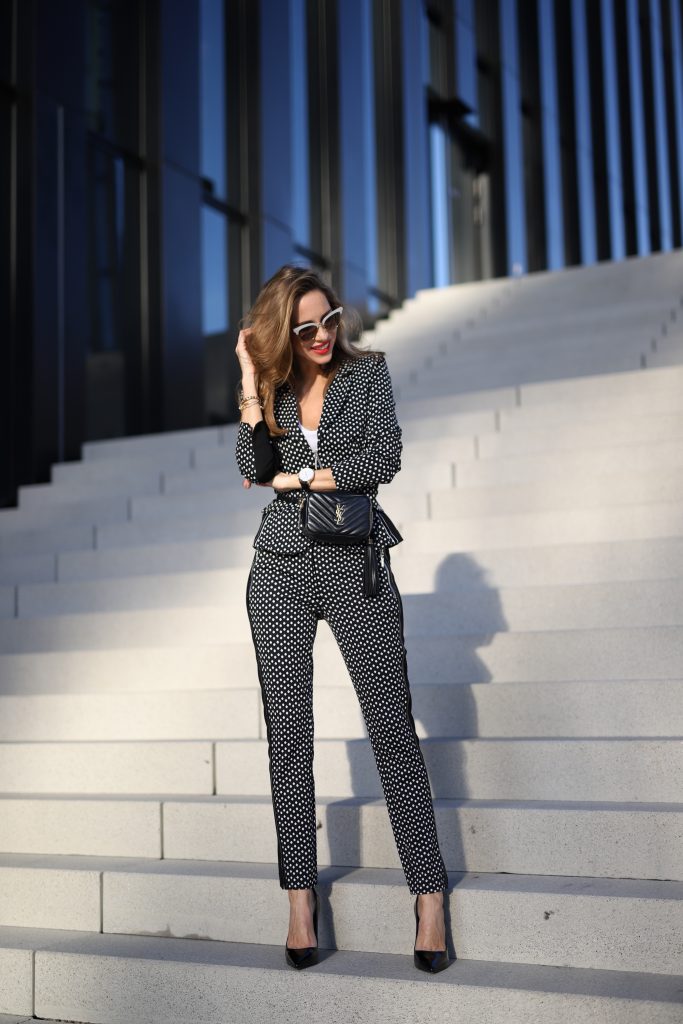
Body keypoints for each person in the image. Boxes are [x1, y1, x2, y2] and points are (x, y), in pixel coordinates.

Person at [234, 264, 452, 973]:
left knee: (391, 730)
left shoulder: (368, 375)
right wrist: (248, 375)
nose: (323, 335)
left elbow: (381, 458)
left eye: (330, 320)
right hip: (279, 568)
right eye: (305, 328)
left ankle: (428, 895)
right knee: (288, 741)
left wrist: (298, 478)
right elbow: (248, 467)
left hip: (354, 560)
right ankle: (299, 897)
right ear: (281, 332)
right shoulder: (272, 387)